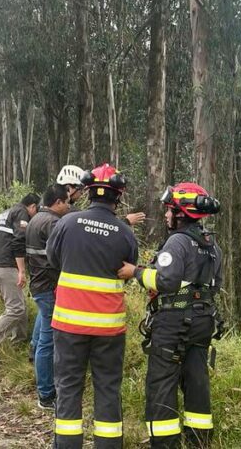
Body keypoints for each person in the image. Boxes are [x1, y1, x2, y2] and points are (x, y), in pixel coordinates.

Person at [117, 183, 223, 449]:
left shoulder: (177, 242)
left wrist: (136, 272)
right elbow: (215, 285)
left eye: (169, 210)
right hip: (203, 322)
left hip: (174, 323)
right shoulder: (211, 246)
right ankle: (199, 441)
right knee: (197, 380)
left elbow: (166, 281)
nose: (166, 215)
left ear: (180, 213)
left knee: (161, 384)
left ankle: (165, 444)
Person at [46, 163, 139, 448]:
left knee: (68, 388)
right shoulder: (125, 232)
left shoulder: (67, 223)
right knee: (108, 389)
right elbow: (130, 268)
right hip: (109, 330)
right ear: (118, 197)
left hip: (69, 325)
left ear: (87, 192)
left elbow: (53, 259)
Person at [0, 193, 41, 367]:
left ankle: (18, 342)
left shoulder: (6, 212)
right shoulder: (22, 214)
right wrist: (22, 270)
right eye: (37, 210)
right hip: (6, 267)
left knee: (20, 305)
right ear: (33, 206)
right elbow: (18, 242)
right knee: (16, 309)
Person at [25, 184, 71, 410]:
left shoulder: (36, 219)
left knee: (42, 330)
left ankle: (34, 361)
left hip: (38, 284)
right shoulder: (53, 223)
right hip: (48, 285)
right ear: (59, 202)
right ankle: (46, 394)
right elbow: (63, 253)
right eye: (67, 202)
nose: (69, 207)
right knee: (48, 340)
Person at [57, 164, 146, 225]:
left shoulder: (66, 221)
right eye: (80, 190)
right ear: (118, 196)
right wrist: (125, 223)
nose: (81, 194)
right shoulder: (126, 234)